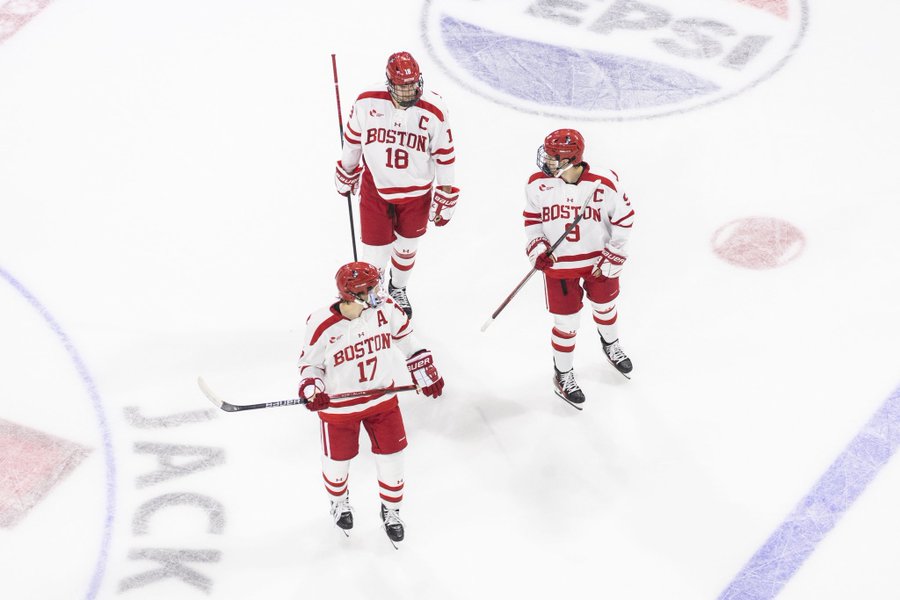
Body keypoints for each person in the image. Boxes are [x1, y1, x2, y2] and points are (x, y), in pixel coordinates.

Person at [297, 261, 445, 544]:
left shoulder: (385, 307)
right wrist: (312, 387)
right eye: (373, 288)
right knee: (337, 463)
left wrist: (423, 368)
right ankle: (339, 502)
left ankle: (391, 510)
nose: (380, 291)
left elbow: (408, 341)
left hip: (382, 400)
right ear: (354, 295)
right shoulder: (320, 324)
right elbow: (309, 365)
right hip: (340, 409)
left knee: (393, 459)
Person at [334, 51, 459, 319]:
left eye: (413, 84)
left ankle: (398, 288)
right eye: (402, 86)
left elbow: (444, 155)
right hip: (375, 188)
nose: (408, 91)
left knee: (407, 248)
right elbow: (353, 140)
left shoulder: (435, 109)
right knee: (374, 256)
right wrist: (347, 170)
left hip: (417, 193)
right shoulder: (367, 101)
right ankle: (372, 297)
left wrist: (445, 193)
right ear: (389, 82)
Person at [522, 129, 634, 409]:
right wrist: (537, 247)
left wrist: (613, 255)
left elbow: (625, 219)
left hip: (598, 264)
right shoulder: (537, 184)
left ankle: (611, 344)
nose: (545, 161)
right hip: (560, 268)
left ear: (570, 160)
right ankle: (563, 374)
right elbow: (532, 220)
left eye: (553, 157)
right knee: (566, 324)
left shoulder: (604, 183)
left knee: (605, 308)